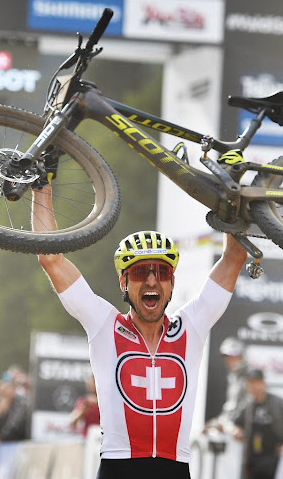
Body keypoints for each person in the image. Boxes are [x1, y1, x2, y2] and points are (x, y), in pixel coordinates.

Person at [33, 184, 248, 479]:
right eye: (138, 273)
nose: (151, 282)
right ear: (124, 284)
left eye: (161, 273)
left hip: (175, 468)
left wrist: (231, 199)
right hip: (117, 467)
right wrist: (42, 186)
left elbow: (234, 257)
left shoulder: (192, 326)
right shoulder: (104, 325)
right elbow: (51, 259)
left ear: (171, 283)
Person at [232, 369, 283, 479]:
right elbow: (236, 421)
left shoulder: (278, 402)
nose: (252, 386)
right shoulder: (248, 404)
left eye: (255, 382)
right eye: (249, 382)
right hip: (253, 458)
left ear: (263, 383)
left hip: (274, 458)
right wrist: (236, 430)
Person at [207, 336, 248, 432]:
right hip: (231, 428)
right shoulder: (233, 377)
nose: (229, 361)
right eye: (227, 358)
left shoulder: (249, 377)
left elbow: (246, 408)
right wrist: (220, 422)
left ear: (242, 356)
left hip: (242, 431)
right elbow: (230, 406)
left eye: (233, 357)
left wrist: (227, 425)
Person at [69, 372, 100, 438]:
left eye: (93, 382)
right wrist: (82, 411)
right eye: (90, 382)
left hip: (103, 439)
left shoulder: (106, 401)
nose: (91, 384)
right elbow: (72, 423)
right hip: (87, 439)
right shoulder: (84, 401)